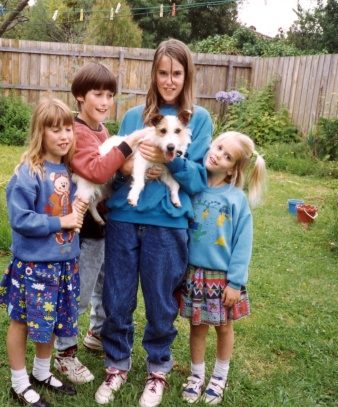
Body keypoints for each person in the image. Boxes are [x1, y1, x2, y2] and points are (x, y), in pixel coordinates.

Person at [94, 39, 213, 407]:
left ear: (186, 75)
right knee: (117, 296)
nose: (169, 80)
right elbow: (113, 166)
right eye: (162, 72)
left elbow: (198, 181)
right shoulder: (134, 116)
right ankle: (117, 363)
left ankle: (157, 369)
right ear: (154, 74)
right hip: (125, 217)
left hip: (168, 222)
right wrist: (126, 166)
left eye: (176, 73)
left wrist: (173, 161)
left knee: (162, 301)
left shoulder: (199, 120)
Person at [54, 62, 150, 385]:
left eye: (110, 95)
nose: (105, 101)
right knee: (77, 293)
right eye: (98, 94)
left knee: (102, 284)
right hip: (80, 229)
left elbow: (108, 174)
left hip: (101, 221)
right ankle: (63, 352)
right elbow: (96, 171)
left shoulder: (101, 131)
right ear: (80, 96)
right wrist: (127, 146)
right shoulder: (77, 131)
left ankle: (96, 333)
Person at [0, 98, 88, 407]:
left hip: (64, 265)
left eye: (68, 129)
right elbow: (19, 219)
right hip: (34, 267)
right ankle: (19, 383)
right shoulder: (28, 172)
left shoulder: (72, 170)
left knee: (53, 320)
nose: (64, 136)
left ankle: (41, 372)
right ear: (39, 133)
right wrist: (62, 220)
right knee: (22, 321)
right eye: (54, 129)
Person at [179, 131, 267, 404]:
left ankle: (219, 375)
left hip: (222, 278)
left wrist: (235, 282)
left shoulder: (235, 199)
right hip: (194, 274)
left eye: (227, 156)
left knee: (224, 327)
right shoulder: (192, 188)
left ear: (232, 170)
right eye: (218, 147)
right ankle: (196, 375)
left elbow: (243, 243)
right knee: (197, 327)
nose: (217, 154)